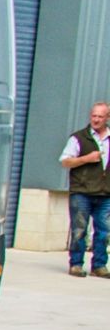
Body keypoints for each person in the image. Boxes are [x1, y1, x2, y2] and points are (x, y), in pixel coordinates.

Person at [60, 102, 110, 277]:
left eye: (100, 116)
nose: (96, 119)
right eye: (94, 116)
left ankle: (99, 266)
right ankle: (76, 264)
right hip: (82, 192)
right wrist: (86, 158)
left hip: (106, 194)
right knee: (79, 230)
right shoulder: (78, 138)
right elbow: (65, 161)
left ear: (107, 118)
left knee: (104, 232)